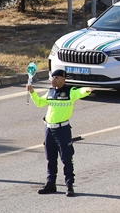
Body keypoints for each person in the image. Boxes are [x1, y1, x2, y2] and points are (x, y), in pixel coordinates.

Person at [27, 68, 92, 196]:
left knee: (66, 158)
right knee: (50, 158)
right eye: (52, 77)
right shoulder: (50, 92)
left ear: (63, 79)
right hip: (49, 129)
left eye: (56, 78)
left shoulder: (70, 92)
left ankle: (69, 185)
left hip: (62, 130)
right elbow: (40, 103)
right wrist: (32, 92)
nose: (53, 80)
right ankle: (51, 184)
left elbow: (80, 92)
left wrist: (87, 90)